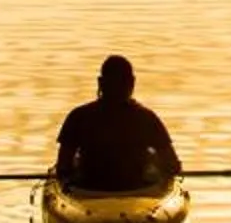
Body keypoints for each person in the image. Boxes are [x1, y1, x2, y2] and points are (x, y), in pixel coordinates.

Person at [56, 54, 182, 192]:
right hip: (135, 189)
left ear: (101, 82)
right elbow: (172, 165)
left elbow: (63, 166)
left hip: (89, 189)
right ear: (132, 83)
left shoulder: (78, 116)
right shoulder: (147, 118)